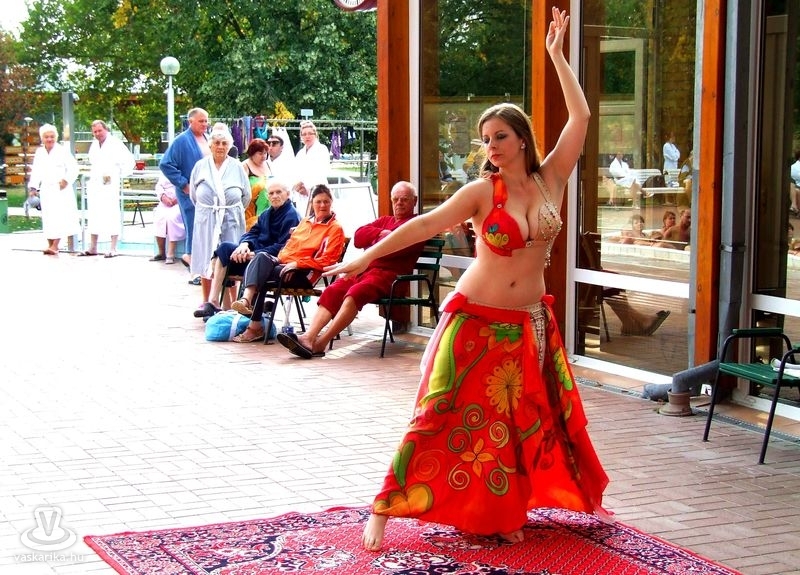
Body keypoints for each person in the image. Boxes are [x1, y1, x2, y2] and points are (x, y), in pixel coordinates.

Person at [324, 8, 609, 551]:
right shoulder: (482, 192)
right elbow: (423, 225)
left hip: (527, 324)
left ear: (521, 139)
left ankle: (498, 511)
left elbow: (581, 115)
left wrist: (555, 55)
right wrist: (363, 260)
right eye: (485, 140)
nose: (491, 147)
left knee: (511, 426)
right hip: (474, 319)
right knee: (440, 413)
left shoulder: (551, 178)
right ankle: (385, 506)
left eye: (499, 136)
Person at [276, 181, 424, 359]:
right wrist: (379, 234)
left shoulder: (416, 225)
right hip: (365, 271)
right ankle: (308, 337)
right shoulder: (385, 221)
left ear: (414, 201)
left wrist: (376, 241)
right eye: (395, 199)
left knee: (355, 293)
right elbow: (359, 237)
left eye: (404, 199)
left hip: (390, 277)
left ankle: (321, 343)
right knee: (333, 289)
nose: (399, 203)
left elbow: (391, 251)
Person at [231, 185, 345, 343]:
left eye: (326, 201)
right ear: (312, 203)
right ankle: (248, 305)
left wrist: (297, 263)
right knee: (261, 258)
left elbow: (328, 260)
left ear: (332, 202)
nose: (322, 205)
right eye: (318, 201)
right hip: (286, 266)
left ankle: (253, 321)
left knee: (261, 274)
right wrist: (281, 260)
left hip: (307, 273)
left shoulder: (335, 228)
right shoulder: (305, 222)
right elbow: (289, 247)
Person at [193, 180, 300, 318]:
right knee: (224, 248)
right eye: (271, 193)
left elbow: (284, 246)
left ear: (288, 194)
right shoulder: (267, 213)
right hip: (252, 254)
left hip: (269, 262)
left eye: (278, 192)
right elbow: (252, 233)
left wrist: (254, 254)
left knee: (232, 259)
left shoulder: (291, 215)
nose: (274, 196)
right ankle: (214, 302)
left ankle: (227, 306)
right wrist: (244, 245)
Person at [189, 125, 252, 318]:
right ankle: (208, 301)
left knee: (232, 257)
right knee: (206, 256)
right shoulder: (200, 166)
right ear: (210, 145)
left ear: (229, 146)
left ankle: (232, 303)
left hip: (231, 218)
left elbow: (246, 196)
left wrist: (231, 210)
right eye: (216, 143)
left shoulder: (237, 167)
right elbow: (194, 195)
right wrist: (208, 210)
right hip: (207, 217)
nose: (220, 146)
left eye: (224, 143)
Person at [159, 107, 210, 268]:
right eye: (201, 121)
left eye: (206, 121)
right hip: (189, 193)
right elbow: (165, 164)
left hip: (207, 192)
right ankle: (192, 261)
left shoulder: (207, 138)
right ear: (190, 121)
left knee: (205, 228)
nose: (204, 124)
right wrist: (183, 183)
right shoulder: (182, 140)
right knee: (193, 226)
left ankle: (203, 263)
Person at [80, 120, 136, 258]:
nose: (98, 134)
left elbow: (130, 162)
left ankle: (113, 247)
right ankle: (93, 246)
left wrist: (116, 174)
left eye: (100, 130)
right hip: (95, 184)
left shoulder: (115, 143)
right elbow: (93, 162)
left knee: (112, 214)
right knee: (93, 214)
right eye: (95, 132)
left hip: (110, 185)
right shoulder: (94, 145)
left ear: (106, 129)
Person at [27, 123, 80, 255]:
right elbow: (36, 171)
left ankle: (56, 245)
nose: (49, 139)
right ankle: (50, 244)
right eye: (46, 137)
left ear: (56, 137)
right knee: (48, 217)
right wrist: (33, 187)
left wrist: (65, 181)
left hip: (60, 189)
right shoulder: (40, 152)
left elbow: (74, 168)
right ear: (42, 138)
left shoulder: (62, 151)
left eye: (52, 136)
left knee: (60, 216)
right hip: (46, 189)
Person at [291, 120, 330, 217]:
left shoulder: (322, 149)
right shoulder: (300, 153)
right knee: (303, 219)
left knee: (318, 219)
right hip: (301, 194)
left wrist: (307, 188)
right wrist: (297, 186)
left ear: (315, 134)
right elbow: (295, 172)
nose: (307, 136)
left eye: (310, 133)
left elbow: (322, 171)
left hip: (317, 191)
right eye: (304, 134)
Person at [149, 174, 185, 264]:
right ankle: (161, 253)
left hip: (179, 202)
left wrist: (176, 199)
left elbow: (187, 187)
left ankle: (171, 253)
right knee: (159, 217)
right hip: (165, 203)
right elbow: (159, 186)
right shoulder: (164, 170)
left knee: (172, 218)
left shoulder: (183, 170)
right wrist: (163, 197)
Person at [241, 138, 272, 228]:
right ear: (252, 153)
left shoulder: (268, 164)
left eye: (265, 153)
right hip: (250, 209)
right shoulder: (244, 166)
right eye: (260, 153)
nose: (263, 156)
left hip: (268, 206)